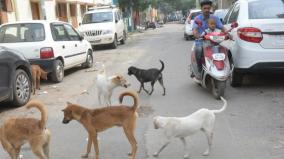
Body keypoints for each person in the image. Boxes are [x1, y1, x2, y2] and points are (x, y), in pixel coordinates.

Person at [192, 0, 226, 74]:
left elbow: (222, 27)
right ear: (202, 9)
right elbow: (194, 30)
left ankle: (224, 68)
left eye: (208, 8)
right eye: (205, 8)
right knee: (198, 50)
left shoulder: (215, 18)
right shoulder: (197, 19)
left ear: (210, 8)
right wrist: (197, 36)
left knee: (224, 49)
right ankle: (199, 69)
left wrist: (227, 34)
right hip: (201, 41)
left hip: (214, 41)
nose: (207, 10)